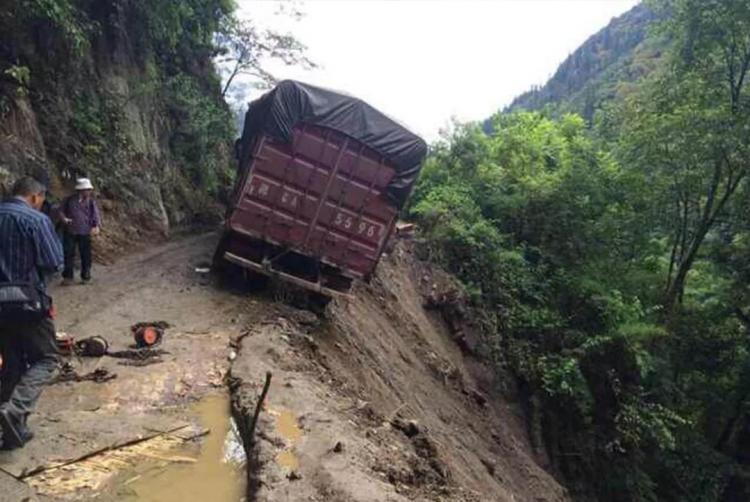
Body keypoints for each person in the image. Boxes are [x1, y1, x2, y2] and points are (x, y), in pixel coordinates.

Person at [0, 177, 63, 449]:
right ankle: (15, 411)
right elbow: (54, 262)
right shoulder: (36, 220)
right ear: (36, 197)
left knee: (10, 362)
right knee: (47, 359)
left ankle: (13, 429)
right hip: (27, 303)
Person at [61, 178, 101, 285]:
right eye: (85, 190)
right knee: (69, 253)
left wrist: (95, 225)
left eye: (88, 190)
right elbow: (61, 211)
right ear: (80, 190)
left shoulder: (91, 201)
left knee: (86, 254)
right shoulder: (68, 200)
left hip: (85, 230)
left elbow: (95, 214)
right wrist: (64, 219)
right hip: (70, 230)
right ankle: (68, 277)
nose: (88, 192)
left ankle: (86, 275)